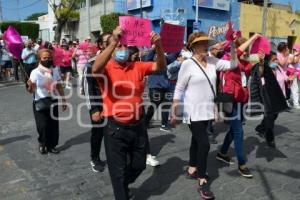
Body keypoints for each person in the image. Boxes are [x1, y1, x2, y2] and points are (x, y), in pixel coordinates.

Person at [92, 26, 166, 200]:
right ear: (108, 49)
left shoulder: (137, 66)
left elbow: (160, 67)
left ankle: (123, 183)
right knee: (117, 172)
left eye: (125, 46)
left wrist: (159, 46)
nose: (123, 50)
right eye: (119, 46)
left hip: (138, 127)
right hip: (115, 129)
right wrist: (113, 42)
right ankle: (121, 189)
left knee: (139, 165)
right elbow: (95, 69)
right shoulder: (106, 68)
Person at [170, 32, 237, 200]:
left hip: (207, 110)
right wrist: (174, 108)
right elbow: (179, 87)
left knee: (196, 140)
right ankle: (202, 179)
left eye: (205, 43)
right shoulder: (187, 64)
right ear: (193, 46)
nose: (204, 46)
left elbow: (233, 64)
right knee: (204, 144)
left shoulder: (213, 61)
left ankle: (192, 168)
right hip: (192, 110)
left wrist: (234, 45)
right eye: (200, 44)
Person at [27, 49, 67, 154]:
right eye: (45, 58)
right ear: (39, 59)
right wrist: (30, 86)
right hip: (39, 101)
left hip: (53, 100)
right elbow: (31, 91)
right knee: (42, 126)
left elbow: (59, 86)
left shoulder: (55, 70)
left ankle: (52, 145)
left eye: (49, 58)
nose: (47, 60)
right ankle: (42, 143)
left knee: (53, 125)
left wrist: (63, 100)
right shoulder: (35, 72)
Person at [83, 33, 112, 173]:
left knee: (114, 132)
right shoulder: (91, 64)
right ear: (101, 45)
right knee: (98, 133)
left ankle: (114, 156)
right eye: (109, 41)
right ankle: (94, 158)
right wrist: (93, 109)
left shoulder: (118, 61)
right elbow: (88, 89)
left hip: (115, 105)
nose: (113, 43)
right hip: (99, 106)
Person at [252, 52, 289, 148]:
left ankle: (260, 128)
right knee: (270, 117)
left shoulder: (278, 68)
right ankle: (270, 138)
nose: (276, 61)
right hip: (268, 97)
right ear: (268, 61)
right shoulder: (265, 70)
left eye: (276, 59)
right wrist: (261, 63)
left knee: (274, 115)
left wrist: (290, 78)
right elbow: (260, 73)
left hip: (278, 96)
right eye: (274, 60)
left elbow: (285, 78)